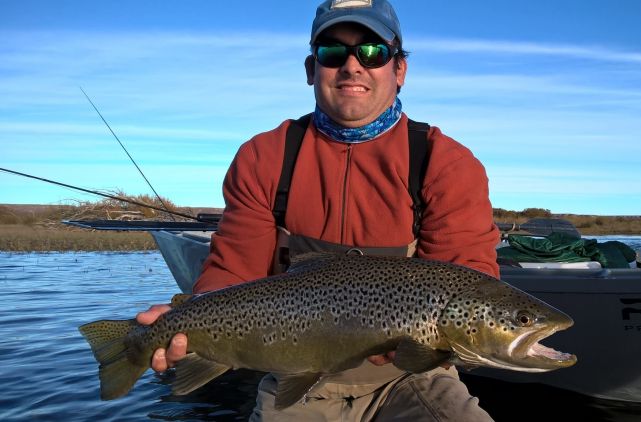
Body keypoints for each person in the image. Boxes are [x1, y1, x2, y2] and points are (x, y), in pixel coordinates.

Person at [137, 0, 499, 420]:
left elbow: (469, 286)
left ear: (399, 70)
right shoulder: (264, 156)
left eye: (372, 51)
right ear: (312, 69)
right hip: (298, 377)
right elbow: (234, 271)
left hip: (411, 378)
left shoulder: (445, 162)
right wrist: (188, 320)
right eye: (332, 52)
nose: (352, 66)